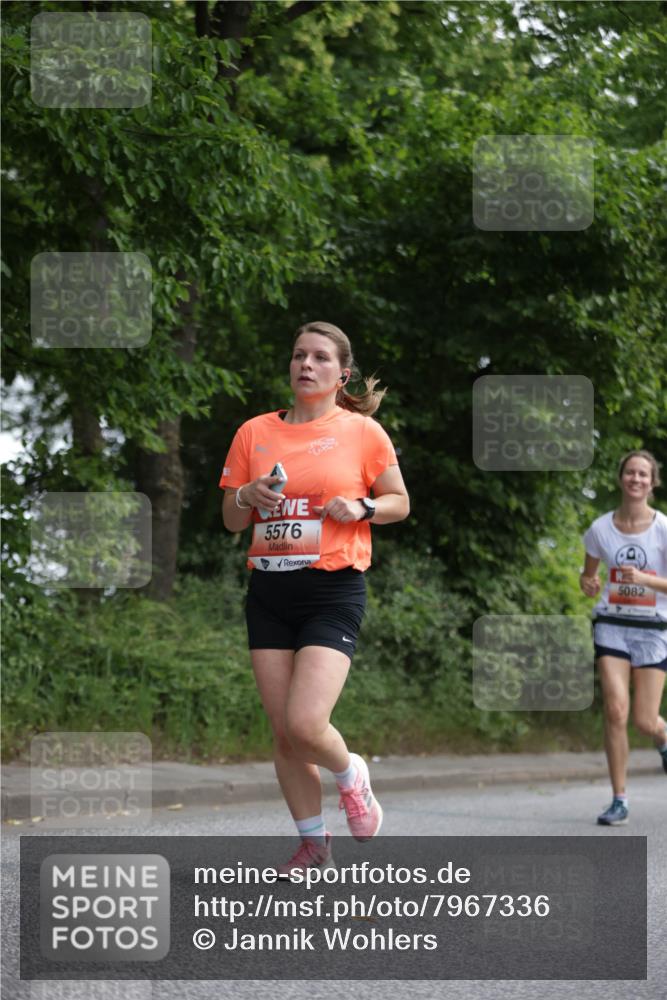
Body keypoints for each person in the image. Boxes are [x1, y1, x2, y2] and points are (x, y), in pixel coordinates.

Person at [220, 320, 409, 875]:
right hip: (270, 590)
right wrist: (248, 495)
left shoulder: (362, 432)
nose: (306, 364)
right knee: (283, 734)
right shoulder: (253, 432)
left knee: (306, 724)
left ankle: (351, 774)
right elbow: (231, 520)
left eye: (320, 358)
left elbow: (399, 500)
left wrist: (364, 508)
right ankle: (314, 843)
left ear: (340, 373)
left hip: (332, 590)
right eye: (299, 355)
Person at [580, 449, 667, 826]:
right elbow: (588, 577)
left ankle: (663, 738)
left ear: (653, 482)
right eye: (630, 472)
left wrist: (646, 580)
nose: (636, 479)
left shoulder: (664, 528)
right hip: (612, 625)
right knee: (616, 710)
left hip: (653, 629)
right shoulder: (601, 529)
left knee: (646, 722)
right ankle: (619, 799)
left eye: (643, 474)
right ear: (621, 479)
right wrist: (589, 583)